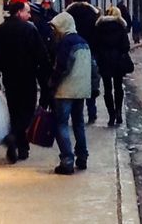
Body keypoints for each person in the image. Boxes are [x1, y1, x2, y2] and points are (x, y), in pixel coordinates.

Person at [0, 0, 51, 164]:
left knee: (14, 111)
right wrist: (45, 80)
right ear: (20, 12)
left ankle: (22, 147)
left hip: (9, 78)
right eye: (28, 12)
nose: (30, 16)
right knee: (28, 112)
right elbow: (41, 56)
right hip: (27, 77)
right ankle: (14, 137)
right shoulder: (29, 30)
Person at [49, 12, 93, 175]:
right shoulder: (84, 42)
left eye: (56, 27)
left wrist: (52, 83)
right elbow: (92, 68)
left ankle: (67, 160)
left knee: (61, 124)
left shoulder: (66, 43)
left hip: (65, 91)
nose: (54, 31)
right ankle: (82, 157)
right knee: (78, 123)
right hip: (81, 90)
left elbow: (62, 66)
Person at [93, 6, 131, 126]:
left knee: (107, 89)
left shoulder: (99, 27)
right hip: (118, 61)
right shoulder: (121, 27)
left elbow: (96, 44)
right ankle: (119, 112)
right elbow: (126, 46)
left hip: (104, 61)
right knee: (118, 87)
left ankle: (111, 115)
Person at [66, 0, 101, 123]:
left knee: (73, 79)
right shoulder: (93, 14)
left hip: (72, 50)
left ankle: (74, 112)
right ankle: (92, 112)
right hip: (90, 50)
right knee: (91, 80)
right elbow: (97, 35)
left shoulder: (68, 14)